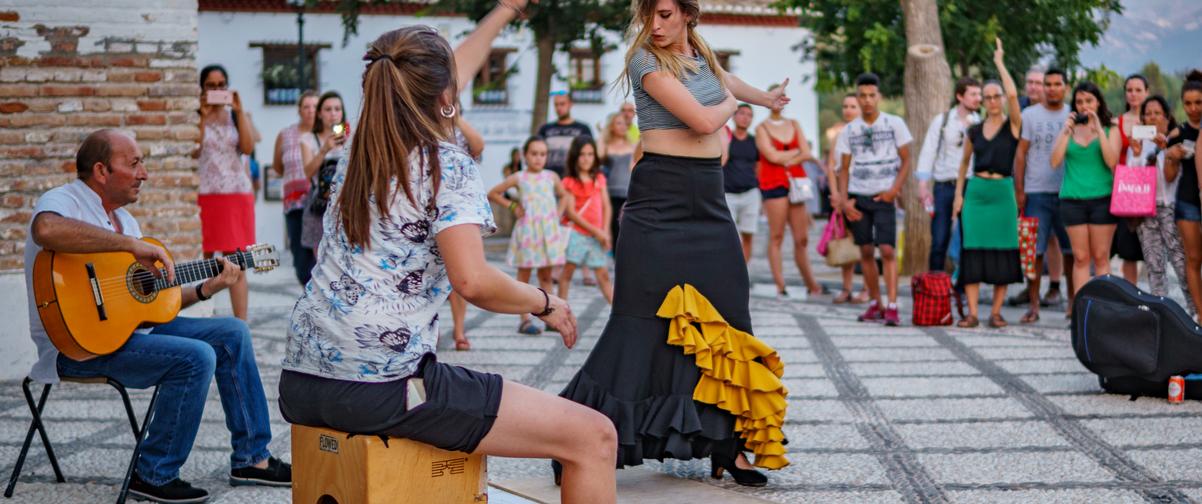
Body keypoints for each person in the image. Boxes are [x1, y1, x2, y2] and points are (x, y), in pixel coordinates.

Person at [276, 17, 619, 504]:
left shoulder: (354, 152)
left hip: (302, 381)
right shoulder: (445, 162)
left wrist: (502, 12)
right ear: (446, 96)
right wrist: (545, 302)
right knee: (594, 436)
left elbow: (437, 70)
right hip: (387, 386)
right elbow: (473, 281)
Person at [558, 0, 791, 486]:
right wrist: (738, 105)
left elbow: (726, 80)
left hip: (708, 199)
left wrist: (766, 99)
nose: (656, 25)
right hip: (658, 200)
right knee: (637, 324)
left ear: (687, 13)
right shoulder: (644, 59)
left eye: (665, 14)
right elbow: (705, 121)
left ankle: (729, 448)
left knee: (730, 318)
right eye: (651, 15)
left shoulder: (701, 52)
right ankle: (572, 437)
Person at [28, 130, 290, 503]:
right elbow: (46, 230)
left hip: (126, 335)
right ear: (101, 170)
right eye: (134, 163)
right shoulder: (62, 201)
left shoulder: (125, 221)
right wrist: (133, 246)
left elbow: (150, 305)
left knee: (232, 332)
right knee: (196, 357)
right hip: (76, 347)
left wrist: (207, 289)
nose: (144, 173)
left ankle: (252, 459)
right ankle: (152, 474)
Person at [952, 39, 1023, 328]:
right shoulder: (974, 130)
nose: (993, 101)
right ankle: (972, 313)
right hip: (977, 193)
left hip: (1003, 193)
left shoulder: (1013, 125)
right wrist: (959, 195)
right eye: (988, 97)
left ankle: (995, 312)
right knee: (973, 252)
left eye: (996, 96)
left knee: (1003, 251)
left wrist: (999, 62)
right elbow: (962, 165)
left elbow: (1014, 93)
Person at [838, 72, 913, 327]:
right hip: (859, 196)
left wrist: (894, 190)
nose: (867, 100)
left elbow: (906, 160)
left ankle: (892, 305)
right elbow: (843, 168)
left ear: (878, 96)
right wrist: (844, 201)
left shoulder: (894, 124)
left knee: (888, 250)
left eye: (872, 95)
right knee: (866, 251)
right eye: (863, 96)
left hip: (884, 195)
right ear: (857, 98)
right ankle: (875, 303)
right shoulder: (850, 130)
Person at [488, 137, 570, 334]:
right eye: (534, 154)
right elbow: (493, 193)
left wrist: (557, 213)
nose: (538, 158)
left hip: (547, 232)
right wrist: (513, 206)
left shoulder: (551, 176)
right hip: (527, 232)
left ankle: (552, 315)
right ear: (525, 155)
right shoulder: (519, 177)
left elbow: (565, 195)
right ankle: (524, 319)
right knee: (523, 276)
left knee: (546, 275)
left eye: (542, 154)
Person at [196, 64, 256, 321]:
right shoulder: (196, 115)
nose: (218, 90)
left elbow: (247, 147)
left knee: (238, 262)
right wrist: (201, 115)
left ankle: (241, 325)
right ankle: (203, 316)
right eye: (212, 85)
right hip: (206, 193)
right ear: (202, 88)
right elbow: (193, 150)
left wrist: (240, 112)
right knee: (205, 259)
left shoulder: (236, 116)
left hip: (236, 193)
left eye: (222, 85)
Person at [1013, 69, 1074, 323]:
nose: (1051, 88)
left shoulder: (1073, 113)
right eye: (1047, 84)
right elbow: (1020, 154)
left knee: (1071, 251)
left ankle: (1072, 303)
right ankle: (1034, 305)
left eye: (1056, 84)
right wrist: (1019, 190)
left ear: (1065, 87)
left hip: (1067, 191)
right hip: (1036, 190)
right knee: (1034, 251)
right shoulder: (1030, 115)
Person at [1050, 81, 1122, 295]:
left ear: (1098, 102)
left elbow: (1112, 162)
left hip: (1102, 199)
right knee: (1080, 258)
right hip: (1072, 200)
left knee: (1101, 256)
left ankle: (1102, 308)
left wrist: (1099, 129)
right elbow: (1054, 161)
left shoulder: (1111, 129)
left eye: (1089, 100)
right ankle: (1081, 309)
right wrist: (1065, 131)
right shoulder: (1068, 130)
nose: (1084, 106)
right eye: (1079, 101)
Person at [757, 87, 823, 299]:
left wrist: (787, 157)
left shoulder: (794, 124)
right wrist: (795, 153)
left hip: (796, 182)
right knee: (777, 235)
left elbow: (806, 152)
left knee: (801, 238)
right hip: (773, 183)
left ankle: (811, 282)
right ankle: (780, 283)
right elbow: (770, 155)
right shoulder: (761, 128)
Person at [1130, 95, 1193, 316]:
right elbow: (1133, 180)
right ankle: (1160, 314)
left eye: (1157, 113)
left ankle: (1195, 311)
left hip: (1172, 208)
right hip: (1145, 210)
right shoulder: (1138, 144)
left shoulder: (1178, 140)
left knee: (1181, 263)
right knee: (1154, 265)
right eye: (1147, 114)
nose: (1152, 118)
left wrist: (1164, 150)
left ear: (1167, 118)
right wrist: (1137, 154)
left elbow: (1170, 178)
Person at [918, 77, 981, 273]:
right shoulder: (943, 120)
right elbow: (928, 151)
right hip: (945, 185)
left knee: (968, 240)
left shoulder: (981, 122)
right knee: (939, 240)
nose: (978, 98)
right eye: (973, 94)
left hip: (970, 185)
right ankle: (934, 289)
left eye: (979, 94)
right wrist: (922, 184)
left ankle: (963, 289)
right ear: (960, 96)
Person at [272, 90, 320, 286]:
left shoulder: (326, 133)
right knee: (301, 261)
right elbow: (277, 166)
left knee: (321, 257)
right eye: (306, 106)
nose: (310, 111)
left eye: (315, 106)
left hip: (319, 202)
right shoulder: (285, 134)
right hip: (295, 203)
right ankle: (309, 296)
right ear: (299, 110)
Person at [824, 94, 869, 304]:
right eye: (845, 106)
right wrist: (836, 194)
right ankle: (846, 287)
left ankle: (868, 288)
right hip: (842, 194)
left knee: (865, 242)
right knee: (843, 239)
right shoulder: (839, 134)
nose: (848, 110)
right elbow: (832, 167)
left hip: (862, 190)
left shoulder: (866, 133)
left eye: (853, 106)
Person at [559, 136, 614, 303]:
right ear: (575, 156)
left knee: (603, 275)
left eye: (590, 154)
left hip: (597, 236)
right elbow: (570, 213)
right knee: (567, 273)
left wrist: (605, 231)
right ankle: (561, 311)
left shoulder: (599, 178)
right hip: (577, 235)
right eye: (582, 154)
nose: (586, 158)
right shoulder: (569, 182)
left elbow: (606, 206)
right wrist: (596, 231)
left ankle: (618, 315)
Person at [449, 117, 485, 351]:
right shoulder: (421, 126)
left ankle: (459, 329)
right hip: (426, 209)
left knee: (459, 278)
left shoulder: (461, 131)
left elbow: (478, 145)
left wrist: (455, 118)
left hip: (458, 210)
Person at [299, 91, 349, 257]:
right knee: (321, 256)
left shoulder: (352, 137)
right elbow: (308, 172)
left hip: (347, 204)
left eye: (337, 109)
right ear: (319, 113)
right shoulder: (308, 139)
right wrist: (324, 149)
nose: (333, 114)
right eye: (328, 109)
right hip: (321, 203)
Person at [1113, 75, 1150, 284]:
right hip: (1126, 190)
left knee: (1152, 249)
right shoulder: (1117, 122)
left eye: (1138, 90)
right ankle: (1130, 294)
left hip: (1150, 189)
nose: (1133, 94)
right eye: (1129, 90)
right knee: (1128, 250)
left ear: (1146, 91)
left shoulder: (1156, 119)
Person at [1171, 70, 1202, 322]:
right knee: (1193, 258)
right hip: (1187, 200)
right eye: (1188, 103)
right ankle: (1201, 315)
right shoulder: (1178, 132)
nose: (1193, 108)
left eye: (1198, 102)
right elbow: (1168, 174)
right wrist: (1172, 155)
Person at [723, 103, 760, 262]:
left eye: (749, 115)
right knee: (730, 237)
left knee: (748, 235)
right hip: (728, 193)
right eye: (742, 113)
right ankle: (730, 272)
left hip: (750, 193)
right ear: (734, 116)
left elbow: (758, 166)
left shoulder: (754, 141)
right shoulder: (726, 139)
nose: (745, 117)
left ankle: (743, 275)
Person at [598, 112, 635, 253]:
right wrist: (603, 133)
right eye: (618, 123)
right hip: (609, 193)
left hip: (627, 192)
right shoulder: (606, 146)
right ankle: (612, 260)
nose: (622, 126)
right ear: (611, 126)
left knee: (624, 228)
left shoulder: (632, 146)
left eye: (624, 123)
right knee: (611, 227)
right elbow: (599, 156)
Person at [537, 91, 592, 177]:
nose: (559, 108)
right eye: (556, 105)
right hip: (549, 177)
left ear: (570, 104)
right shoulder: (545, 129)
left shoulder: (583, 129)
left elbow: (590, 154)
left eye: (562, 104)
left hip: (574, 178)